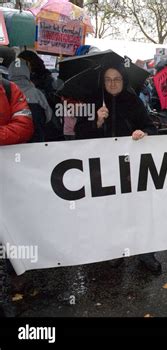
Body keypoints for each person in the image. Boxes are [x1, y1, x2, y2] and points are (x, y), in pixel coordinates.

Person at [75, 63, 162, 273]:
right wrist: (96, 121)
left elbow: (150, 127)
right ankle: (117, 251)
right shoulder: (92, 102)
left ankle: (145, 253)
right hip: (104, 170)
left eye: (117, 79)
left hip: (132, 169)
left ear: (123, 81)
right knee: (112, 212)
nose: (112, 83)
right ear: (102, 82)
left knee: (139, 211)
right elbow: (78, 133)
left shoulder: (133, 102)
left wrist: (143, 134)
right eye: (108, 79)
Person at [0, 71, 34, 317]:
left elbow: (24, 127)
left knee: (13, 225)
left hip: (8, 178)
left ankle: (16, 273)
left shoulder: (9, 89)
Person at [8, 59, 52, 143]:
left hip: (11, 143)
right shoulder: (36, 93)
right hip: (35, 141)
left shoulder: (4, 91)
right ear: (27, 71)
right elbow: (48, 116)